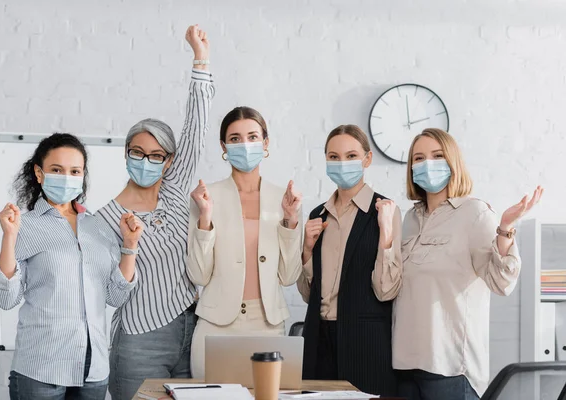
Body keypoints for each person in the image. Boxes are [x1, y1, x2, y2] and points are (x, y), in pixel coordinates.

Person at [94, 25, 215, 400]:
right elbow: (111, 293)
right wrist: (129, 246)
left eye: (157, 155)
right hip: (139, 337)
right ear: (126, 153)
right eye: (138, 152)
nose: (147, 161)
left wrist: (200, 60)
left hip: (194, 328)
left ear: (169, 161)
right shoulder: (103, 219)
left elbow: (197, 127)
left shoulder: (176, 189)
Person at [393, 128, 543, 400]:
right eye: (418, 158)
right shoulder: (409, 219)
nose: (427, 163)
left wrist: (506, 228)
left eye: (437, 155)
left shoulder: (475, 213)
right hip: (404, 365)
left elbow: (501, 282)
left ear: (453, 162)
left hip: (449, 369)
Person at [0, 133, 142, 400]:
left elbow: (116, 296)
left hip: (93, 370)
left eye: (75, 171)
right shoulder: (24, 225)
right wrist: (9, 237)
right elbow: (5, 298)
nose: (67, 177)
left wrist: (129, 246)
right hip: (41, 369)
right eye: (56, 170)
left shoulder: (97, 227)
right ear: (39, 173)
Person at [187, 106, 303, 378]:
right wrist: (205, 218)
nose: (245, 144)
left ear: (265, 143)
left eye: (252, 137)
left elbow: (288, 277)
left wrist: (290, 220)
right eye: (236, 138)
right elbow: (199, 275)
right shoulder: (206, 197)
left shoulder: (283, 198)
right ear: (224, 146)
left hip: (267, 323)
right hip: (215, 325)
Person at [297, 124, 402, 395]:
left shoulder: (385, 211)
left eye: (351, 155)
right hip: (318, 341)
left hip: (365, 343)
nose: (342, 163)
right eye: (334, 157)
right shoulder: (317, 215)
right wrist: (307, 251)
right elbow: (309, 295)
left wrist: (386, 231)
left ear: (367, 159)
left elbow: (386, 290)